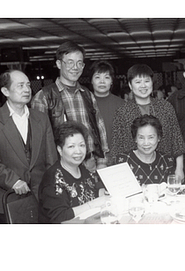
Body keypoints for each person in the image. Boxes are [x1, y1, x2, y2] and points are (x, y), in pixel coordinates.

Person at [31, 41, 109, 171]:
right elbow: (38, 141)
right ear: (58, 64)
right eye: (70, 62)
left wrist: (101, 160)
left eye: (80, 63)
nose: (75, 67)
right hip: (61, 166)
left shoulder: (87, 94)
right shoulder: (44, 96)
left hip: (90, 163)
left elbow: (99, 128)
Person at [111, 64, 185, 181]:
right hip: (132, 173)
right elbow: (117, 147)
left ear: (152, 83)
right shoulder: (122, 112)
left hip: (165, 169)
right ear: (130, 85)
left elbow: (177, 140)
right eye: (138, 82)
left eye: (147, 81)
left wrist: (179, 169)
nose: (143, 86)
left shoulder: (165, 107)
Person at [0, 70, 57, 220]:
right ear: (5, 90)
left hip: (42, 197)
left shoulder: (41, 118)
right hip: (8, 199)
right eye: (20, 86)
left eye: (28, 85)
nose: (27, 90)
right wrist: (12, 181)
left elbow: (51, 157)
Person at [38, 121, 106, 223]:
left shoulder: (82, 168)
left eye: (82, 145)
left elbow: (94, 188)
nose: (78, 151)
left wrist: (103, 192)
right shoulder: (53, 179)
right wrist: (94, 204)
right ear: (60, 150)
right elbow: (60, 216)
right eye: (71, 146)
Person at [116, 115, 175, 185]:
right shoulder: (123, 161)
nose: (146, 143)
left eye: (151, 137)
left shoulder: (167, 161)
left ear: (159, 138)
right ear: (135, 139)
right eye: (141, 138)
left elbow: (173, 191)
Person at [89, 60, 124, 150]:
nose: (102, 81)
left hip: (118, 155)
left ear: (112, 81)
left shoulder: (122, 104)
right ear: (91, 81)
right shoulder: (85, 103)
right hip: (92, 157)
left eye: (106, 77)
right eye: (97, 77)